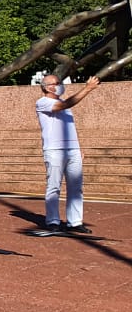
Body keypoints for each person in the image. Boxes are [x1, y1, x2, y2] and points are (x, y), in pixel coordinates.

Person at [35, 73, 100, 233]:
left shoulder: (65, 105)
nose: (58, 85)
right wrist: (87, 88)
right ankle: (52, 221)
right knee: (54, 186)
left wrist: (78, 148)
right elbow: (65, 105)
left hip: (72, 150)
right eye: (55, 83)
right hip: (54, 150)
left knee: (76, 187)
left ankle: (75, 222)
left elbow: (70, 128)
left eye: (59, 82)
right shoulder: (43, 102)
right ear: (46, 87)